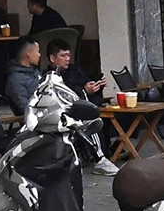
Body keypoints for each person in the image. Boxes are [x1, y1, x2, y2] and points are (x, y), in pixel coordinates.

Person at [46, 39, 120, 175]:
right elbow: (63, 97)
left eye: (68, 55)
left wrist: (97, 85)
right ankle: (100, 159)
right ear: (52, 58)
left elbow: (86, 84)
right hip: (66, 114)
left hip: (89, 104)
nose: (67, 59)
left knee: (115, 113)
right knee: (91, 121)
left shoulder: (74, 70)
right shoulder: (51, 78)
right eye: (63, 56)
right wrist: (84, 91)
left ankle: (111, 150)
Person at [3, 37, 44, 114]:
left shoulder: (35, 71)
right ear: (29, 54)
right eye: (37, 52)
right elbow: (25, 108)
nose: (39, 55)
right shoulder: (15, 80)